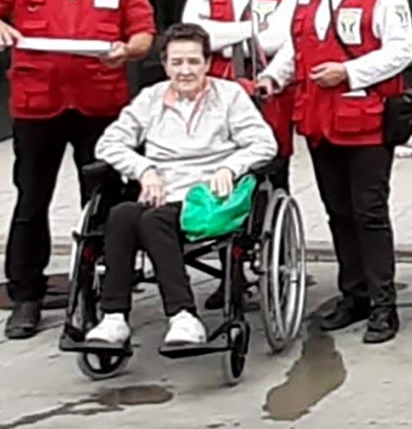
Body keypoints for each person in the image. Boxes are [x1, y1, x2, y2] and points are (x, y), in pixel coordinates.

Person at [0, 0, 156, 340]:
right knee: (31, 201)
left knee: (109, 202)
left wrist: (128, 51)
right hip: (38, 103)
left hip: (101, 102)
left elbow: (145, 32)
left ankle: (108, 293)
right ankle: (25, 296)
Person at [258, 0, 412, 345]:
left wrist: (349, 73)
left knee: (369, 212)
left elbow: (401, 50)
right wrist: (275, 76)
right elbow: (296, 48)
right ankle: (354, 295)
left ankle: (384, 305)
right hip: (319, 119)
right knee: (338, 213)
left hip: (366, 119)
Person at [85, 23, 277, 349]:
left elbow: (264, 143)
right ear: (165, 64)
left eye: (192, 62)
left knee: (152, 219)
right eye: (176, 63)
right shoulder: (151, 98)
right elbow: (108, 143)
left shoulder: (229, 96)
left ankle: (183, 316)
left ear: (206, 63)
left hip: (209, 196)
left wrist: (230, 168)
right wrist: (143, 169)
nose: (185, 71)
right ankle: (114, 316)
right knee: (120, 216)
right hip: (160, 189)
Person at [181, 0, 298, 310]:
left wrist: (265, 69)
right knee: (218, 176)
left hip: (266, 94)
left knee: (270, 177)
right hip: (213, 95)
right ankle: (227, 273)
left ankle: (274, 263)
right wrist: (250, 31)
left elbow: (283, 44)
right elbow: (194, 35)